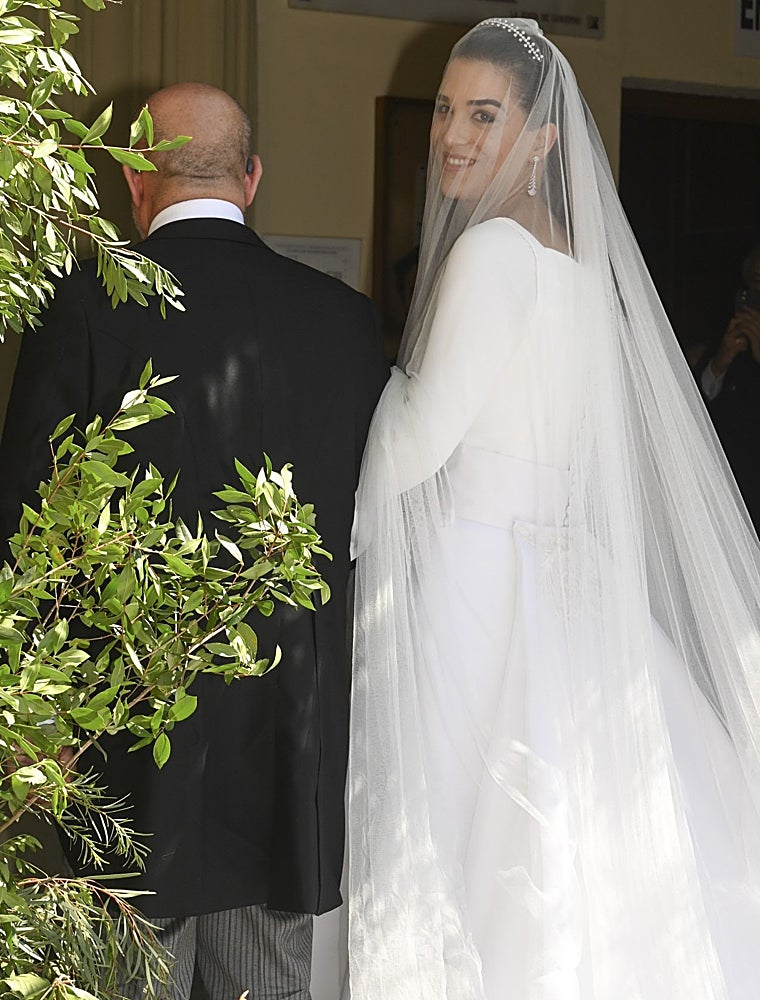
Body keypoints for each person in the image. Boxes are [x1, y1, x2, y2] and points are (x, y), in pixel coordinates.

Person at [347, 19, 760, 1000]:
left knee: (468, 835)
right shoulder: (575, 267)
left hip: (478, 569)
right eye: (446, 109)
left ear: (540, 138)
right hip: (561, 568)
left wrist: (351, 476)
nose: (452, 133)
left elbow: (418, 435)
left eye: (483, 115)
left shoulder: (489, 251)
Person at [0, 82, 387, 1000]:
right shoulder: (345, 324)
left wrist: (34, 726)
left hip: (130, 750)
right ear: (251, 178)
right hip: (286, 749)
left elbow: (26, 529)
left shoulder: (82, 310)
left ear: (138, 184)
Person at [698, 242, 760, 528]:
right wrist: (719, 363)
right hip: (727, 478)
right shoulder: (731, 327)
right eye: (752, 284)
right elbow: (701, 398)